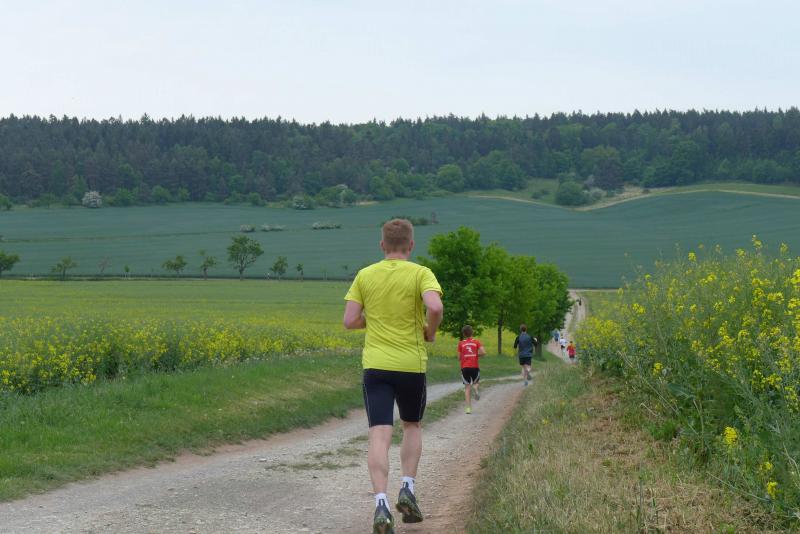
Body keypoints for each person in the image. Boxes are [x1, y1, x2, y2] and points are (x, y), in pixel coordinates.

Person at [343, 218, 443, 534]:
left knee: (379, 433)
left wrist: (371, 321)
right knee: (411, 425)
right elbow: (435, 307)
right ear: (411, 245)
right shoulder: (421, 273)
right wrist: (430, 332)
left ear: (382, 245)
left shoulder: (365, 275)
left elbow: (349, 320)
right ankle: (408, 488)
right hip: (411, 364)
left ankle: (382, 505)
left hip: (376, 365)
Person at [457, 325, 486, 414]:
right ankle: (476, 389)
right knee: (476, 382)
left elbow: (458, 358)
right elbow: (483, 352)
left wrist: (464, 356)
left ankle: (468, 408)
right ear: (472, 332)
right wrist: (476, 355)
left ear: (463, 334)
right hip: (474, 367)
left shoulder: (461, 343)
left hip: (464, 367)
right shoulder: (476, 342)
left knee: (467, 387)